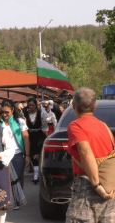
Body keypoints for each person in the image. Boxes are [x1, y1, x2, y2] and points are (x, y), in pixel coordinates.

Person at [66, 87, 115, 223]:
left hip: (88, 186)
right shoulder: (105, 127)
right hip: (109, 187)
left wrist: (96, 186)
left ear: (73, 105)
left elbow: (86, 152)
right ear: (95, 106)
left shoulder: (76, 126)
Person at [0, 100, 30, 189]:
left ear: (12, 110)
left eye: (7, 112)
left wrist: (27, 155)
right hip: (3, 154)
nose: (4, 115)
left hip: (17, 154)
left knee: (17, 178)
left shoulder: (20, 121)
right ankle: (8, 200)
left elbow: (26, 138)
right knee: (6, 179)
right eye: (2, 112)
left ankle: (18, 200)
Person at [24, 98, 48, 184]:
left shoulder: (41, 114)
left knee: (37, 155)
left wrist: (47, 138)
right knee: (31, 154)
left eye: (33, 105)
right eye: (29, 105)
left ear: (36, 105)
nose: (31, 107)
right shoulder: (25, 114)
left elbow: (45, 127)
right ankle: (35, 173)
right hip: (29, 136)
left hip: (39, 136)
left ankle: (36, 175)